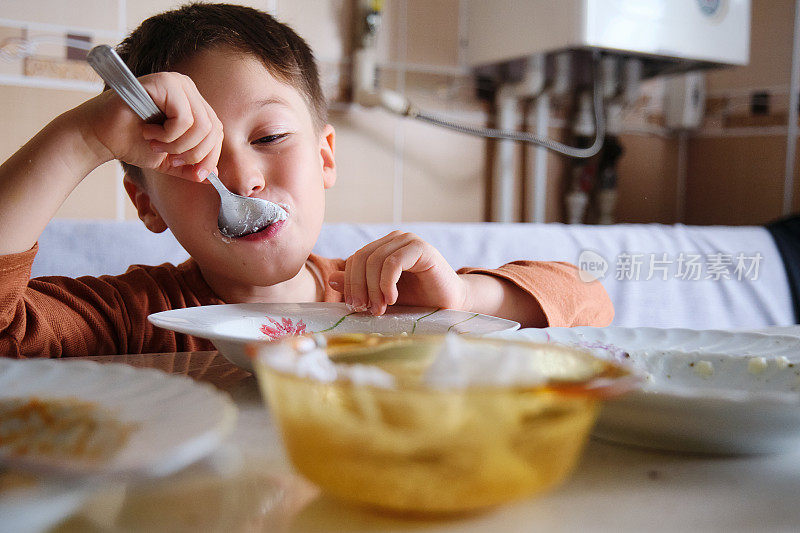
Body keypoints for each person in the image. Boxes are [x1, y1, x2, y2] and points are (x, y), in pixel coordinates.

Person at [0, 3, 613, 358]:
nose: (241, 178)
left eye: (268, 139)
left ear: (324, 160)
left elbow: (590, 301)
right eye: (192, 164)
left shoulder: (379, 298)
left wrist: (463, 300)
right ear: (145, 204)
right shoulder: (131, 318)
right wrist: (82, 138)